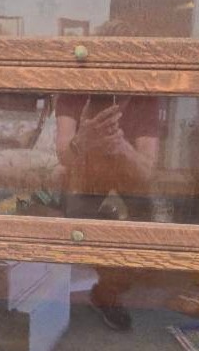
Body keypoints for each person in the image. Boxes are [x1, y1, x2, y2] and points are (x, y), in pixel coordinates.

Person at [55, 39, 160, 330]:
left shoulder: (144, 96)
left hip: (128, 178)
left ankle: (107, 290)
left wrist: (120, 145)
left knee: (145, 233)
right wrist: (83, 141)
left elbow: (147, 171)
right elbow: (63, 155)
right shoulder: (72, 90)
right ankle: (77, 287)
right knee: (77, 223)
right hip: (84, 177)